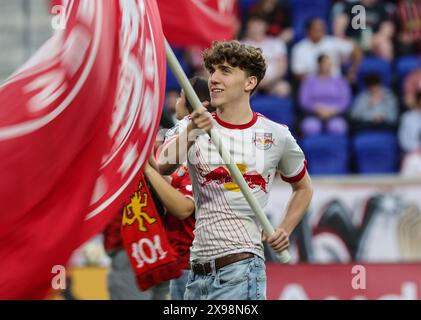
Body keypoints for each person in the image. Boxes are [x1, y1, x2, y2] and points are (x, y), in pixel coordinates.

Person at [158, 40, 313, 300]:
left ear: (249, 82)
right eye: (213, 71)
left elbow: (303, 187)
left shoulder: (276, 135)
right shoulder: (192, 124)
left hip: (241, 269)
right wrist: (193, 131)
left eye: (225, 71)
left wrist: (284, 228)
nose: (214, 79)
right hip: (196, 273)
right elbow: (163, 163)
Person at [144, 77, 213, 300]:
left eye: (181, 96)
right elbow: (169, 180)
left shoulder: (195, 140)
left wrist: (147, 169)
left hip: (191, 256)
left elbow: (184, 207)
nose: (176, 101)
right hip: (177, 253)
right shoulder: (180, 137)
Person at [291, 17, 361, 81]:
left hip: (335, 83)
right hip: (312, 85)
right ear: (308, 31)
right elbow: (298, 73)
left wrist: (352, 71)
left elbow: (356, 51)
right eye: (317, 30)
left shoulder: (332, 42)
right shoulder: (299, 48)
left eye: (322, 29)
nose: (320, 32)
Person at [299, 54, 352, 136]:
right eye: (324, 63)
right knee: (310, 127)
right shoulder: (309, 81)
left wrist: (332, 110)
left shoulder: (340, 81)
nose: (327, 66)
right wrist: (317, 109)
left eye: (329, 64)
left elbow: (345, 101)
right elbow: (304, 101)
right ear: (319, 65)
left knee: (337, 127)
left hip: (335, 115)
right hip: (313, 114)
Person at [241, 14, 290, 97]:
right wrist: (256, 82)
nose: (256, 28)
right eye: (253, 25)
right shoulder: (242, 45)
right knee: (242, 91)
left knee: (284, 88)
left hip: (273, 82)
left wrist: (269, 81)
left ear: (266, 26)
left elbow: (282, 68)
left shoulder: (277, 43)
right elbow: (241, 68)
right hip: (250, 82)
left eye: (259, 24)